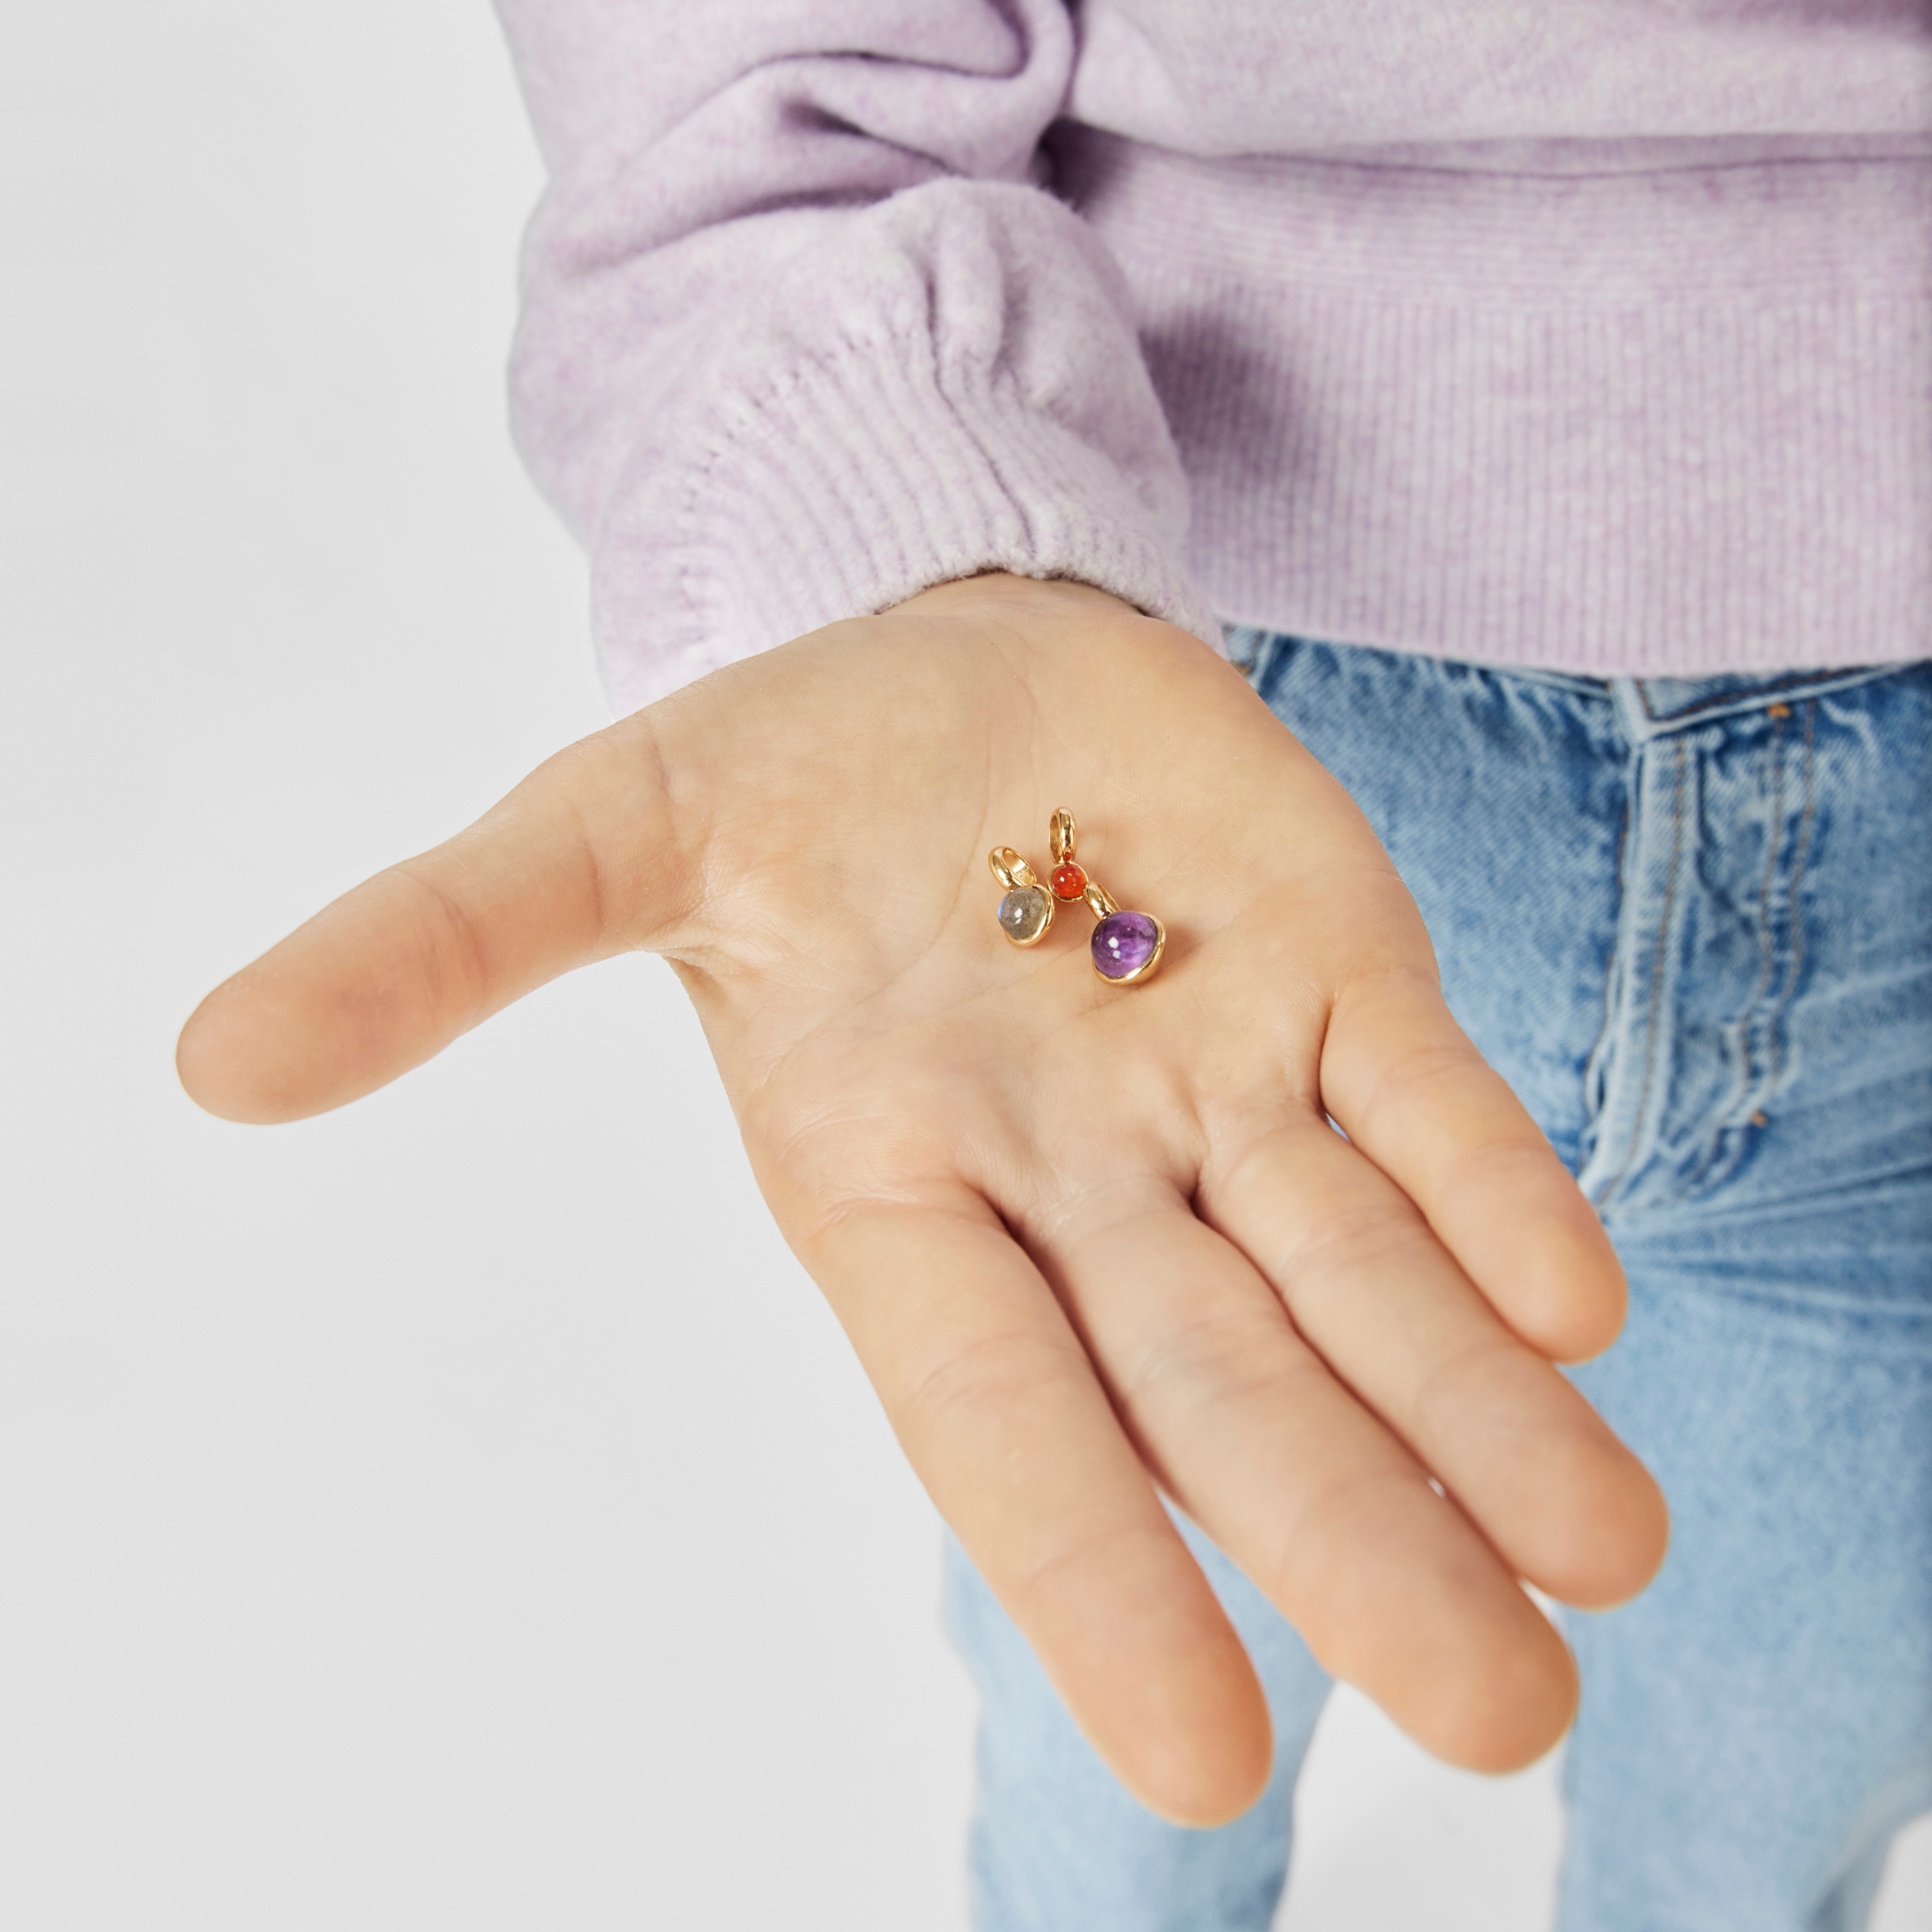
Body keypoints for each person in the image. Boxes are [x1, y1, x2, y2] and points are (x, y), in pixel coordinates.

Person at [176, 6, 1931, 1927]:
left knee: (1778, 1807)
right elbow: (736, 76)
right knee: (1129, 1748)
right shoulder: (1079, 886)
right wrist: (916, 524)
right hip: (1192, 666)